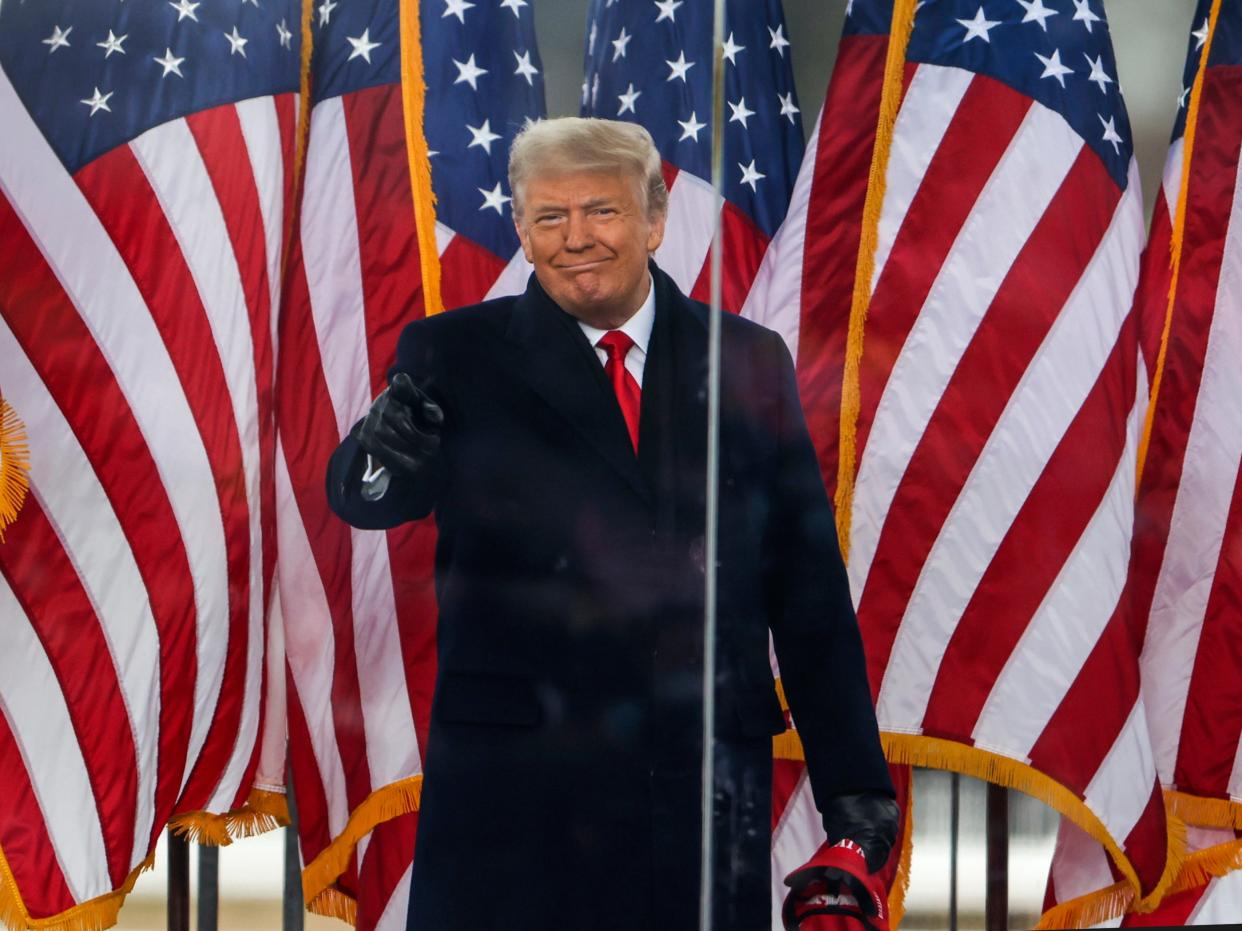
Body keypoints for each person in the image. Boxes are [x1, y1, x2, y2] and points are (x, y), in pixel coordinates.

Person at [326, 117, 897, 931]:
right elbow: (369, 500)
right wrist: (380, 452)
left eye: (601, 211)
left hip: (700, 788)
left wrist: (856, 794)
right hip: (517, 793)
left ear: (655, 221)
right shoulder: (451, 353)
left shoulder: (747, 359)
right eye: (550, 218)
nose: (575, 238)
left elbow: (807, 594)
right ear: (520, 229)